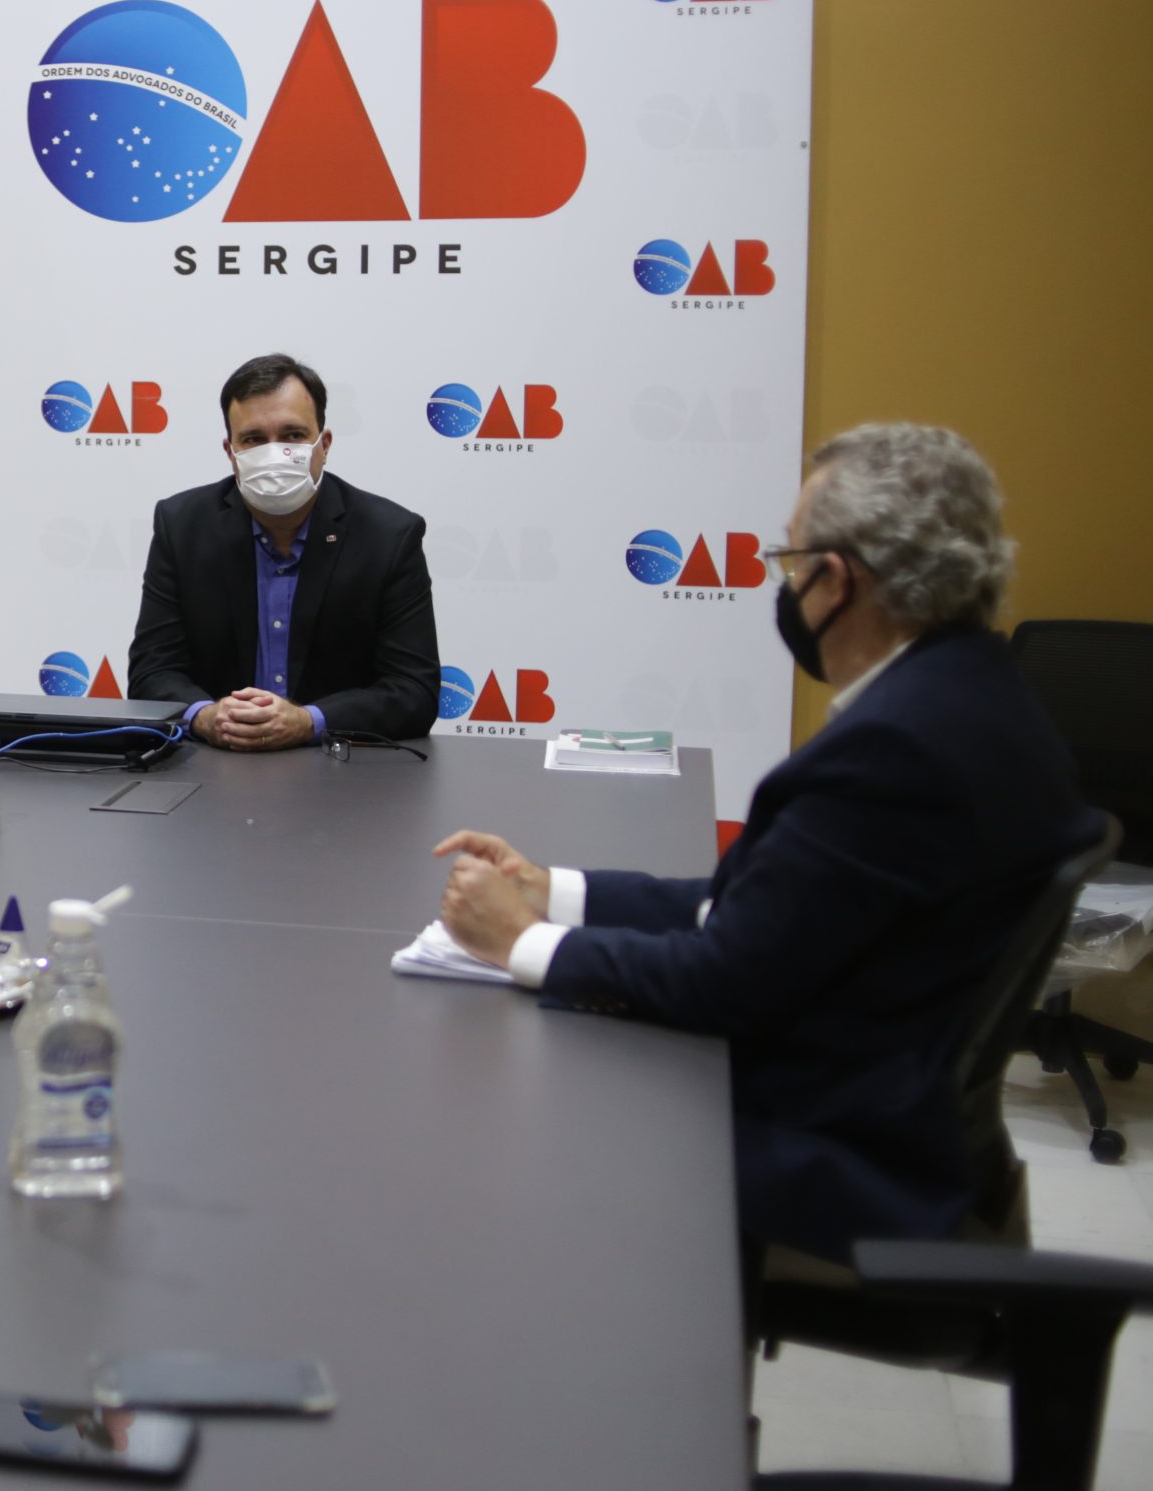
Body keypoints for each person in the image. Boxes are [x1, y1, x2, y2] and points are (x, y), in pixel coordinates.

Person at [432, 422, 1099, 1264]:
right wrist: (555, 890)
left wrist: (521, 943)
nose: (785, 588)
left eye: (792, 561)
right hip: (884, 1103)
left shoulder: (894, 749)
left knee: (477, 1117)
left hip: (830, 1145)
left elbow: (725, 982)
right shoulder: (975, 695)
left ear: (838, 580)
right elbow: (766, 910)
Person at [128, 354, 440, 748]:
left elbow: (414, 691)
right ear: (231, 452)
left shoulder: (389, 536)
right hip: (214, 765)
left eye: (293, 435)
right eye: (254, 439)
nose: (274, 455)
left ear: (323, 445)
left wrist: (309, 722)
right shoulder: (182, 526)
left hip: (341, 768)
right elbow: (151, 673)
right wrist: (206, 717)